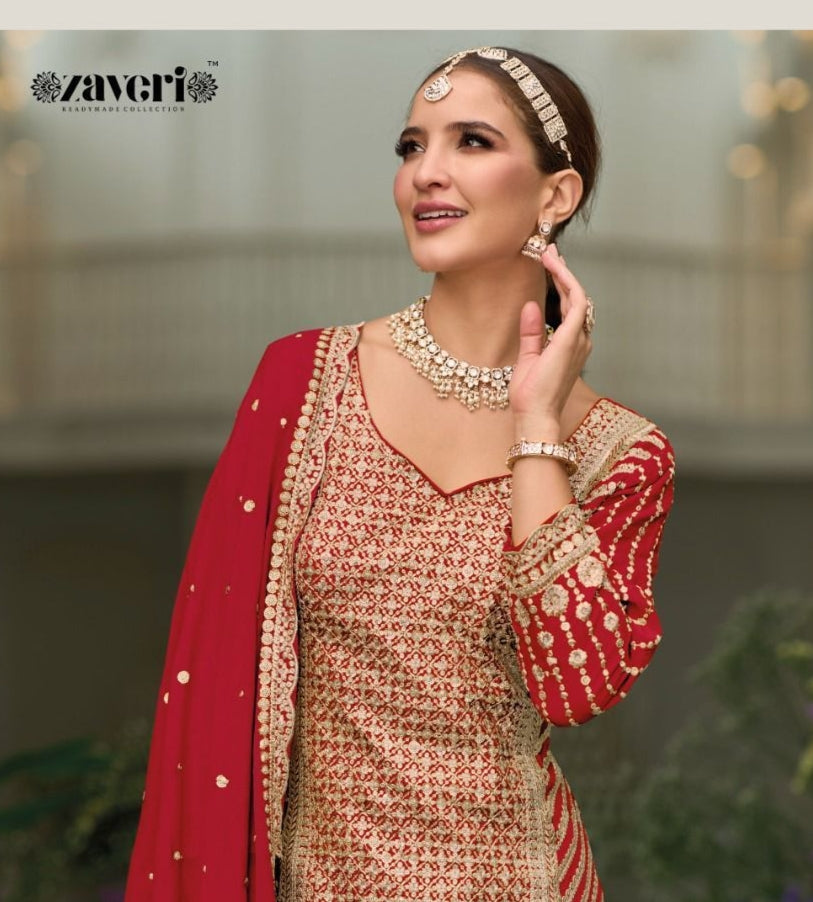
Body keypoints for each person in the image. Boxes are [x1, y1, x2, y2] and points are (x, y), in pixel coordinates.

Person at [124, 46, 676, 902]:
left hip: (519, 877)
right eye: (412, 146)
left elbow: (575, 687)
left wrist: (536, 432)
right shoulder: (304, 382)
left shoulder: (621, 451)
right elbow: (213, 675)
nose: (427, 172)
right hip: (321, 879)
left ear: (555, 196)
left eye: (471, 142)